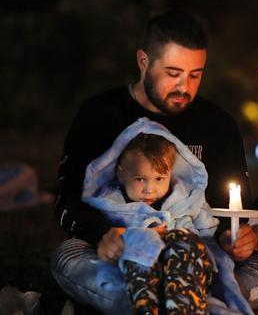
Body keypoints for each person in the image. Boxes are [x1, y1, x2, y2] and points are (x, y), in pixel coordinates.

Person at [51, 11, 258, 313]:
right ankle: (196, 303)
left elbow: (230, 211)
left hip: (198, 255)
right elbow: (66, 199)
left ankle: (168, 301)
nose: (184, 87)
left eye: (195, 75)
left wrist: (237, 237)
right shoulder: (101, 115)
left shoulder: (218, 125)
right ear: (143, 61)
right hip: (123, 254)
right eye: (173, 73)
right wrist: (101, 234)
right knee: (69, 256)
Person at [82, 119, 220, 314]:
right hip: (141, 271)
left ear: (171, 175)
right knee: (141, 240)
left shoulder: (186, 201)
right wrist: (137, 237)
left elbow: (208, 235)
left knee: (181, 238)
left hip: (189, 268)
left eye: (159, 179)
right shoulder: (114, 207)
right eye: (140, 179)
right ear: (121, 174)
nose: (149, 189)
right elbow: (110, 243)